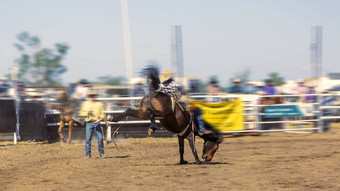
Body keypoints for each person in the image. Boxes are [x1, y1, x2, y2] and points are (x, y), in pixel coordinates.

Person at [79, 90, 105, 159]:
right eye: (91, 96)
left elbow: (102, 113)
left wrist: (102, 116)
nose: (92, 97)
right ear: (89, 96)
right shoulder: (85, 103)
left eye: (93, 96)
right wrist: (87, 112)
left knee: (100, 139)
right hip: (89, 123)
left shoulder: (99, 104)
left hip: (97, 123)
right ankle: (88, 155)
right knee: (88, 139)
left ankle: (101, 153)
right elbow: (81, 113)